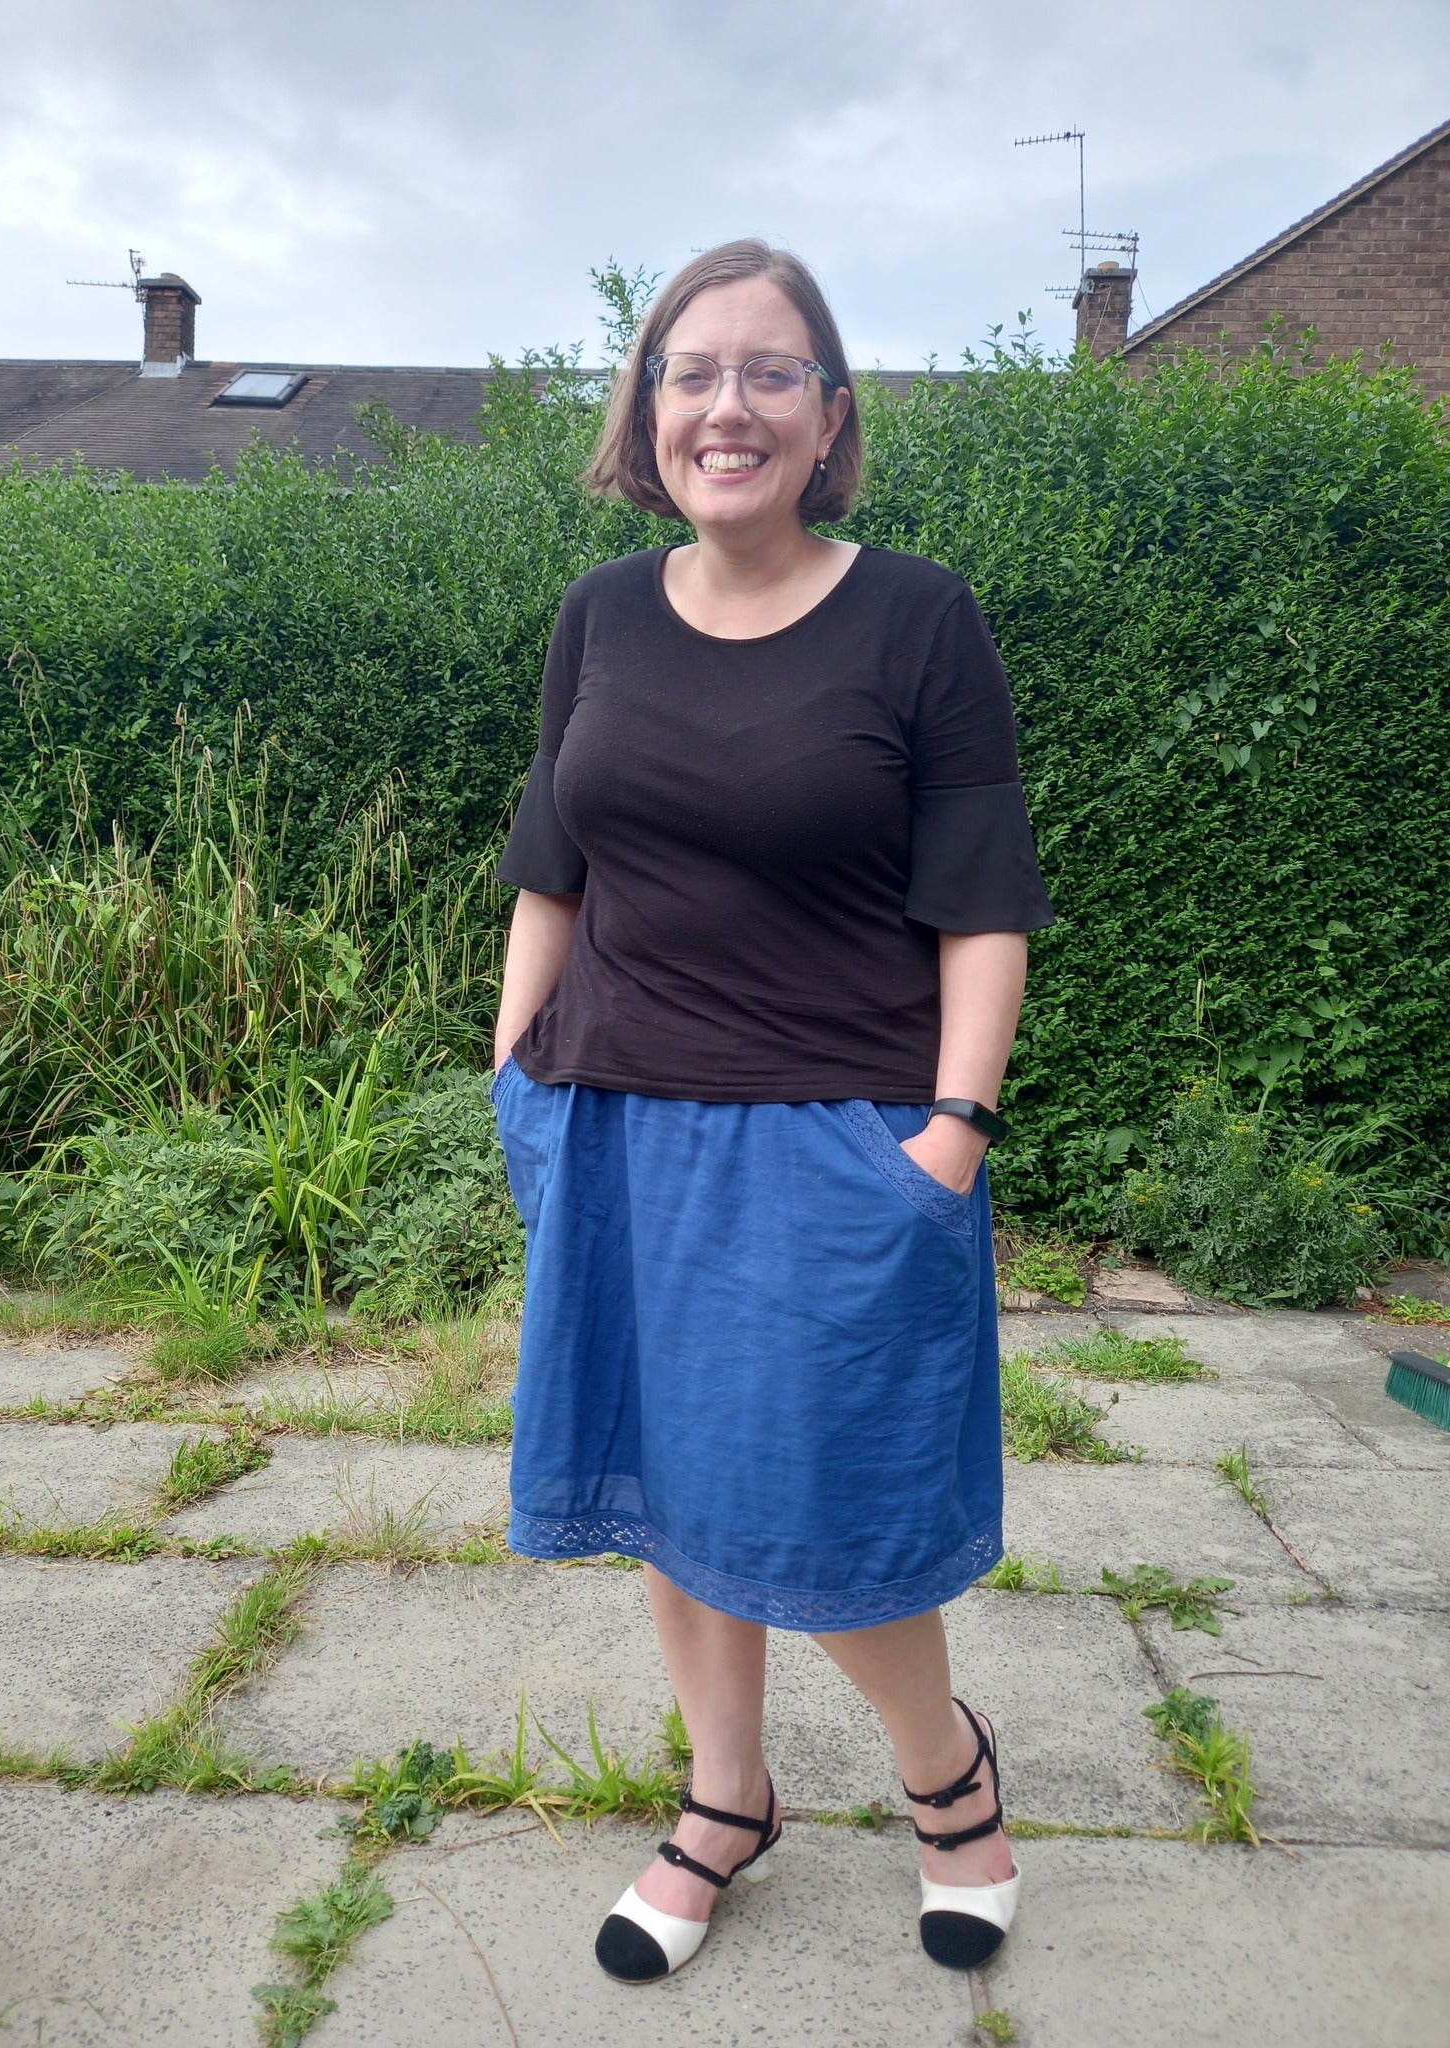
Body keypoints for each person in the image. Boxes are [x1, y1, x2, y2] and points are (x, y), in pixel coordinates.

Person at [490, 238, 1054, 1986]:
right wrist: (515, 1074)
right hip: (614, 1119)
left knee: (839, 1503)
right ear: (645, 408)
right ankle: (722, 1800)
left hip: (835, 1134)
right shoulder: (598, 610)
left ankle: (945, 1781)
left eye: (766, 371)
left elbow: (983, 896)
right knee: (667, 1483)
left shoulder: (919, 614)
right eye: (689, 372)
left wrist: (950, 1131)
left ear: (828, 413)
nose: (724, 405)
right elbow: (550, 862)